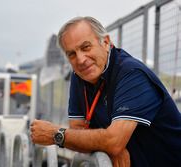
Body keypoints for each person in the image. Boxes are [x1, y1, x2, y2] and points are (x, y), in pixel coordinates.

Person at [30, 16, 181, 167]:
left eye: (86, 47)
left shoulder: (132, 74)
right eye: (72, 54)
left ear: (106, 42)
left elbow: (113, 141)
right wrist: (109, 147)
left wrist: (56, 134)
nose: (81, 59)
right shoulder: (80, 75)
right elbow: (78, 129)